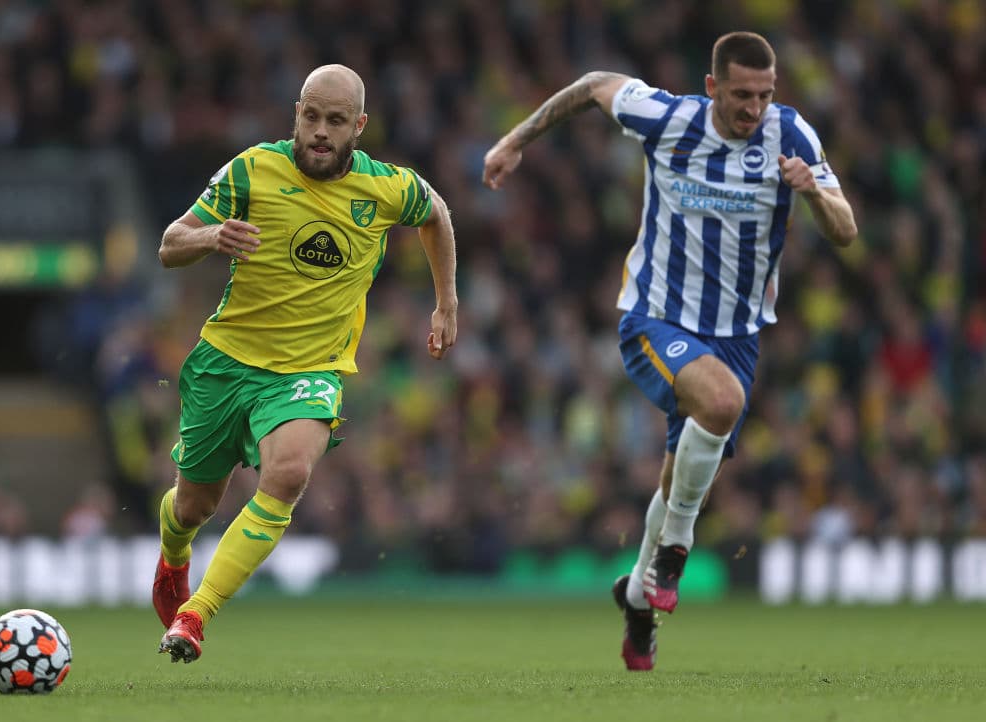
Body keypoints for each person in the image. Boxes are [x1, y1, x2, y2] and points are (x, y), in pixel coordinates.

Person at [483, 32, 856, 671]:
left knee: (682, 475)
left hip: (736, 336)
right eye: (741, 95)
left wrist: (814, 191)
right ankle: (676, 548)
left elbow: (845, 231)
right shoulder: (668, 119)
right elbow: (595, 85)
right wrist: (515, 140)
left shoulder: (791, 135)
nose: (754, 108)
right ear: (712, 87)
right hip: (654, 319)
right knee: (722, 403)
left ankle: (637, 595)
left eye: (765, 95)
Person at [152, 64, 458, 663]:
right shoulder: (251, 169)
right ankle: (173, 555)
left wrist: (446, 300)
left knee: (289, 473)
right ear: (296, 113)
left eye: (335, 121)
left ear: (359, 126)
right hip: (226, 362)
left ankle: (195, 615)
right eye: (311, 116)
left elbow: (437, 214)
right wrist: (211, 238)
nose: (320, 131)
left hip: (310, 370)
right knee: (194, 506)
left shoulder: (387, 188)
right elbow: (169, 245)